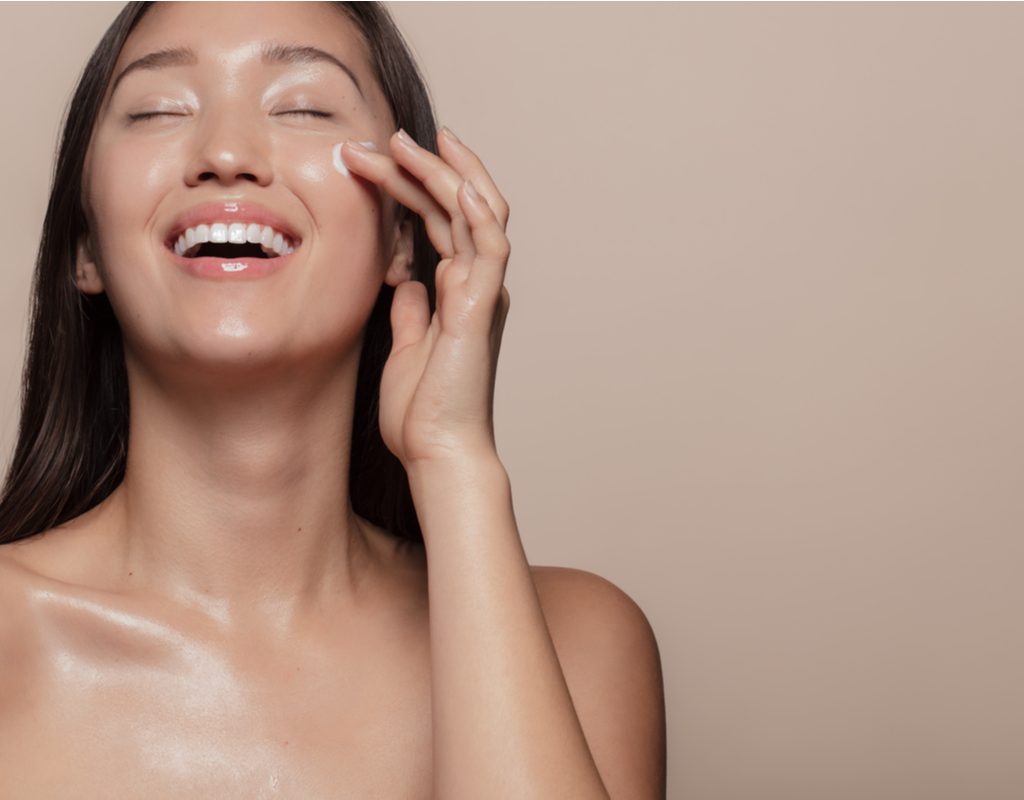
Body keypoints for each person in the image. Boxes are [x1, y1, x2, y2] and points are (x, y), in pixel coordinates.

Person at [0, 2, 666, 797]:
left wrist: (453, 464)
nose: (225, 153)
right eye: (159, 109)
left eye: (304, 106)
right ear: (85, 247)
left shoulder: (580, 643)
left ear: (403, 234)